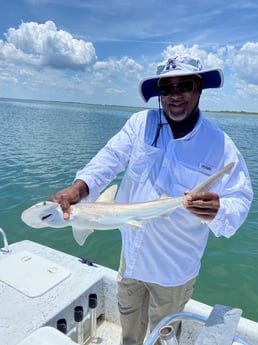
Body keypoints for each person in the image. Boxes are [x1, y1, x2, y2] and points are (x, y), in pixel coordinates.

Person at [49, 55, 253, 345]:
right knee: (129, 330)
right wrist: (78, 188)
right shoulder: (140, 124)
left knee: (164, 336)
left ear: (199, 89)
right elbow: (109, 159)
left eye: (184, 85)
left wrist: (219, 210)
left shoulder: (220, 145)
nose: (175, 95)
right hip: (130, 259)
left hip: (174, 270)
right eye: (166, 88)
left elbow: (241, 199)